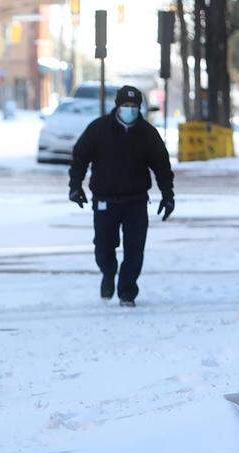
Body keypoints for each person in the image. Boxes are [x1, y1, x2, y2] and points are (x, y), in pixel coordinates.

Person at [69, 85, 174, 307]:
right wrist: (75, 186)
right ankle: (108, 273)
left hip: (135, 201)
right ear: (117, 106)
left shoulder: (147, 134)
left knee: (135, 250)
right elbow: (79, 157)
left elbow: (162, 166)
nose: (130, 110)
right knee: (103, 248)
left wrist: (167, 195)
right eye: (126, 105)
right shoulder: (98, 129)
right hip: (104, 200)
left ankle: (127, 291)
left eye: (134, 106)